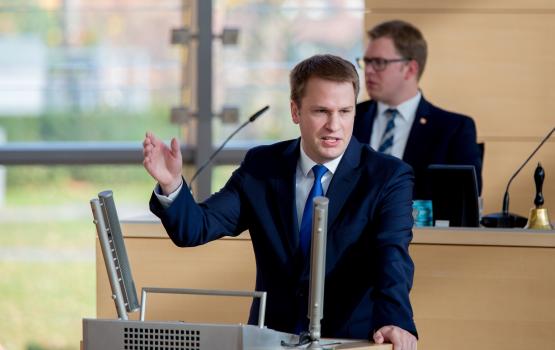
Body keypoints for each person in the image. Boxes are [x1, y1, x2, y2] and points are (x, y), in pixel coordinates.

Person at [143, 54, 417, 349]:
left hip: (347, 342)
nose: (334, 125)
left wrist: (396, 320)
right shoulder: (263, 167)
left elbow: (393, 257)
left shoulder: (388, 176)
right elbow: (196, 227)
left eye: (345, 111)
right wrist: (171, 183)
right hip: (269, 341)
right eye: (321, 111)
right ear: (295, 111)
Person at [354, 19, 482, 200]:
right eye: (366, 62)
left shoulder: (453, 129)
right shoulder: (349, 117)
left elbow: (463, 201)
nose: (368, 71)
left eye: (379, 62)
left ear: (410, 69)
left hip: (418, 227)